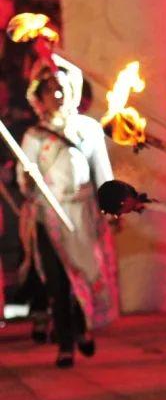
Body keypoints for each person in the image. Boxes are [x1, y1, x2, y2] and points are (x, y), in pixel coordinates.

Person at [18, 54, 118, 367]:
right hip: (49, 216)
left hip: (83, 214)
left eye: (62, 88)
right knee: (58, 281)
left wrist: (112, 208)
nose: (58, 95)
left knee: (84, 276)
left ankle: (82, 328)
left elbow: (102, 173)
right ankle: (65, 344)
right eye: (50, 90)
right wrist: (29, 178)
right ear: (40, 97)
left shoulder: (88, 129)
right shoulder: (34, 136)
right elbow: (25, 183)